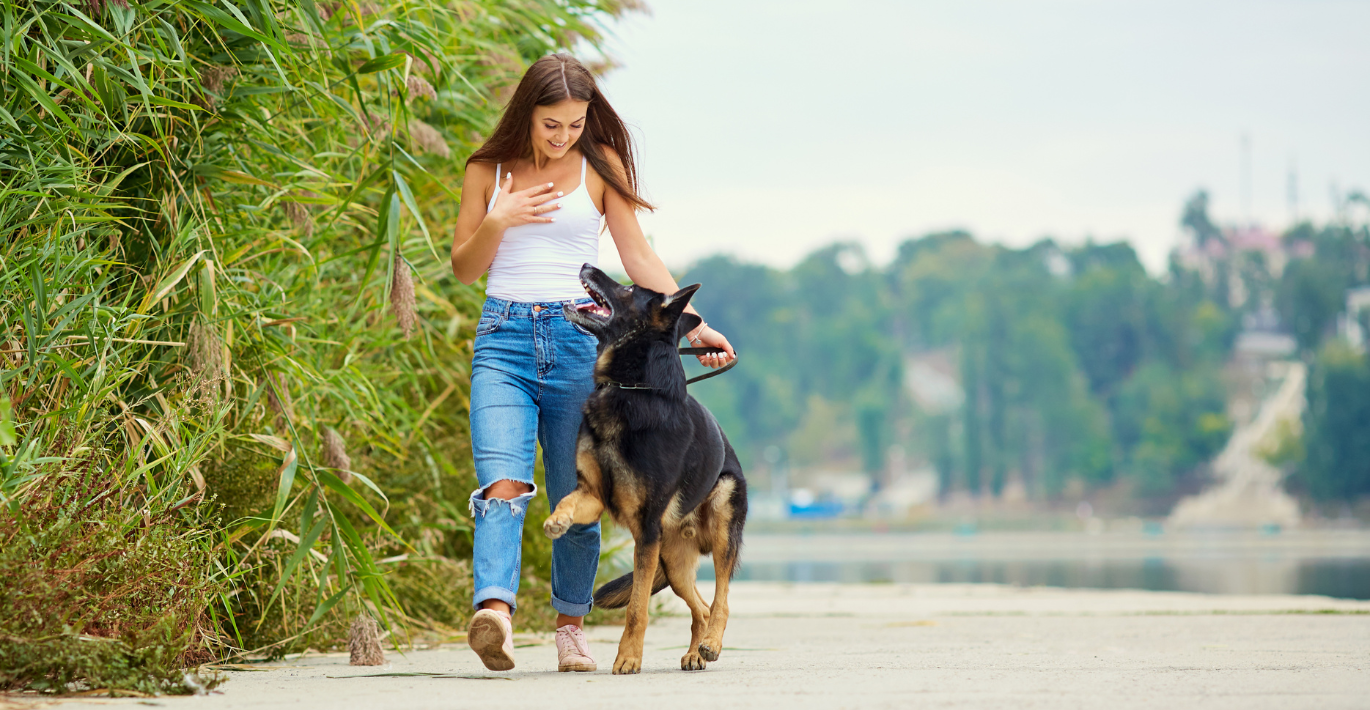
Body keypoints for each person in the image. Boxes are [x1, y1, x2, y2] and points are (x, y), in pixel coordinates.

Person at [448, 53, 736, 673]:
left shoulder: (598, 169)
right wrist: (497, 219)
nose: (563, 136)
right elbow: (465, 269)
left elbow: (637, 257)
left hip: (579, 344)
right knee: (502, 485)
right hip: (503, 340)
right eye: (552, 123)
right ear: (528, 113)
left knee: (582, 494)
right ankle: (494, 613)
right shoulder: (486, 171)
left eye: (575, 124)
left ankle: (570, 630)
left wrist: (697, 325)